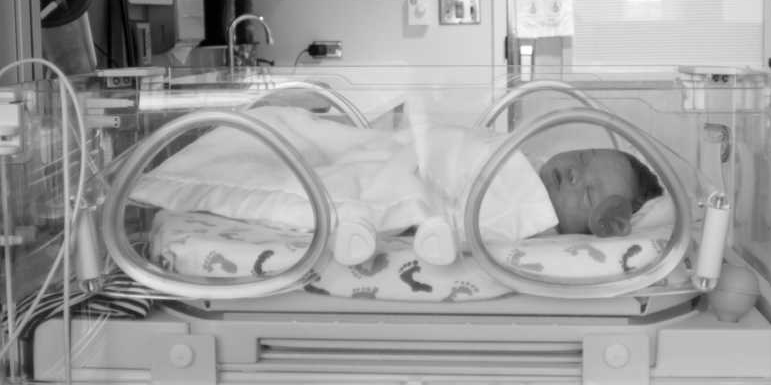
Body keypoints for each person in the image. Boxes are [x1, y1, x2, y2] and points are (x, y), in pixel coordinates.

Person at [133, 105, 666, 267]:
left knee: (333, 193)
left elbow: (480, 221)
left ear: (592, 224)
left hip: (409, 193)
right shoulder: (522, 157)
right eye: (584, 158)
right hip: (395, 159)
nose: (574, 172)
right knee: (293, 130)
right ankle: (175, 164)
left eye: (589, 192)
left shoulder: (530, 213)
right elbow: (459, 147)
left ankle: (359, 223)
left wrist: (445, 226)